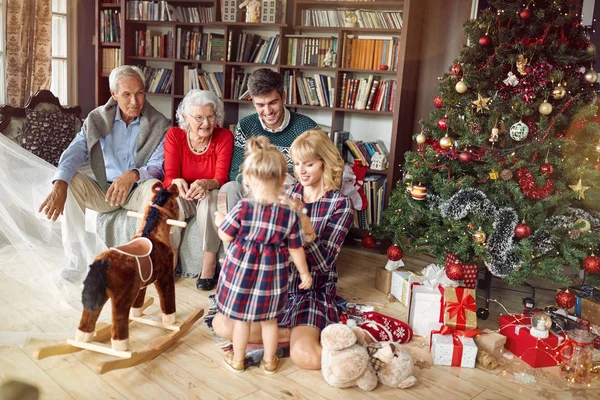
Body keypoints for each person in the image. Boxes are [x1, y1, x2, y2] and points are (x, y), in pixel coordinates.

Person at [212, 129, 354, 370]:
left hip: (312, 292)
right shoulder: (288, 194)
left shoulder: (340, 204)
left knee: (306, 358)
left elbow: (323, 264)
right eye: (297, 164)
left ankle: (289, 338)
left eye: (308, 164)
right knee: (221, 324)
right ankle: (285, 335)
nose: (301, 171)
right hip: (273, 286)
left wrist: (307, 230)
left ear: (325, 163)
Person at [213, 136, 313, 374]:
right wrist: (304, 273)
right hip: (272, 276)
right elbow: (296, 248)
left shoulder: (243, 207)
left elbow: (226, 236)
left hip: (241, 273)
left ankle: (238, 359)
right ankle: (269, 361)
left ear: (247, 177)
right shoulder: (289, 215)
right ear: (282, 179)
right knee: (270, 321)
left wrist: (220, 222)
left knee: (242, 320)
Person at [38, 65, 170, 223]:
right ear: (114, 94)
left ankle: (143, 246)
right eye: (126, 94)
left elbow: (157, 166)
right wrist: (60, 182)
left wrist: (133, 174)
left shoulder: (160, 124)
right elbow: (75, 152)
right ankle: (76, 247)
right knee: (71, 181)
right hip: (105, 191)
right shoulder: (96, 119)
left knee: (155, 188)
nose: (134, 102)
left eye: (139, 93)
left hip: (137, 189)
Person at [162, 90, 234, 290]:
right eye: (199, 117)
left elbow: (221, 177)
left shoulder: (224, 137)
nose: (206, 123)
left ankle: (209, 264)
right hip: (185, 193)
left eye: (210, 116)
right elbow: (169, 175)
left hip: (207, 191)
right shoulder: (174, 136)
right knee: (170, 200)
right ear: (186, 117)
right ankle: (171, 261)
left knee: (212, 201)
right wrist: (177, 182)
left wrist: (205, 183)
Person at [219, 68, 318, 211]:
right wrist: (259, 185)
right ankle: (232, 233)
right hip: (254, 189)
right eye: (260, 105)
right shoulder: (246, 125)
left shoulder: (306, 128)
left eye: (272, 103)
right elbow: (235, 172)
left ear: (283, 97)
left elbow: (319, 172)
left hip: (290, 192)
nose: (268, 111)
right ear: (252, 101)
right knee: (229, 188)